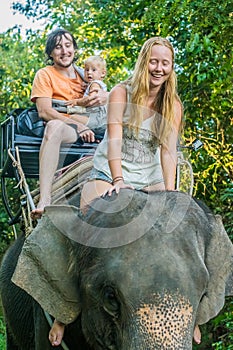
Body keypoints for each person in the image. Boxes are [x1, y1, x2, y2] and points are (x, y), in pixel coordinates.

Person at [48, 36, 201, 346]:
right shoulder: (121, 92)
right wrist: (118, 181)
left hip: (150, 176)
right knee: (85, 226)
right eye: (154, 62)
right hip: (111, 170)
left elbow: (168, 152)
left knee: (177, 233)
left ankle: (193, 316)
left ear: (171, 69)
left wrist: (171, 196)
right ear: (144, 62)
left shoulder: (172, 105)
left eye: (165, 64)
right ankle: (64, 310)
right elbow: (114, 138)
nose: (159, 69)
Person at [30, 28, 108, 220]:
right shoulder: (45, 74)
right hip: (66, 127)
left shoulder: (86, 74)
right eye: (58, 47)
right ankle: (45, 199)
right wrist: (78, 126)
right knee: (53, 126)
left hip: (94, 125)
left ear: (74, 48)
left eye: (68, 45)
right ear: (50, 53)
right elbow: (45, 111)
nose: (64, 51)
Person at [65, 55, 108, 131]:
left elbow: (91, 100)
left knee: (71, 118)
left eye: (94, 70)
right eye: (86, 70)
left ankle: (96, 132)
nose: (89, 73)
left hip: (96, 117)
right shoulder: (95, 84)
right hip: (96, 116)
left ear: (103, 73)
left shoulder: (95, 84)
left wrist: (77, 102)